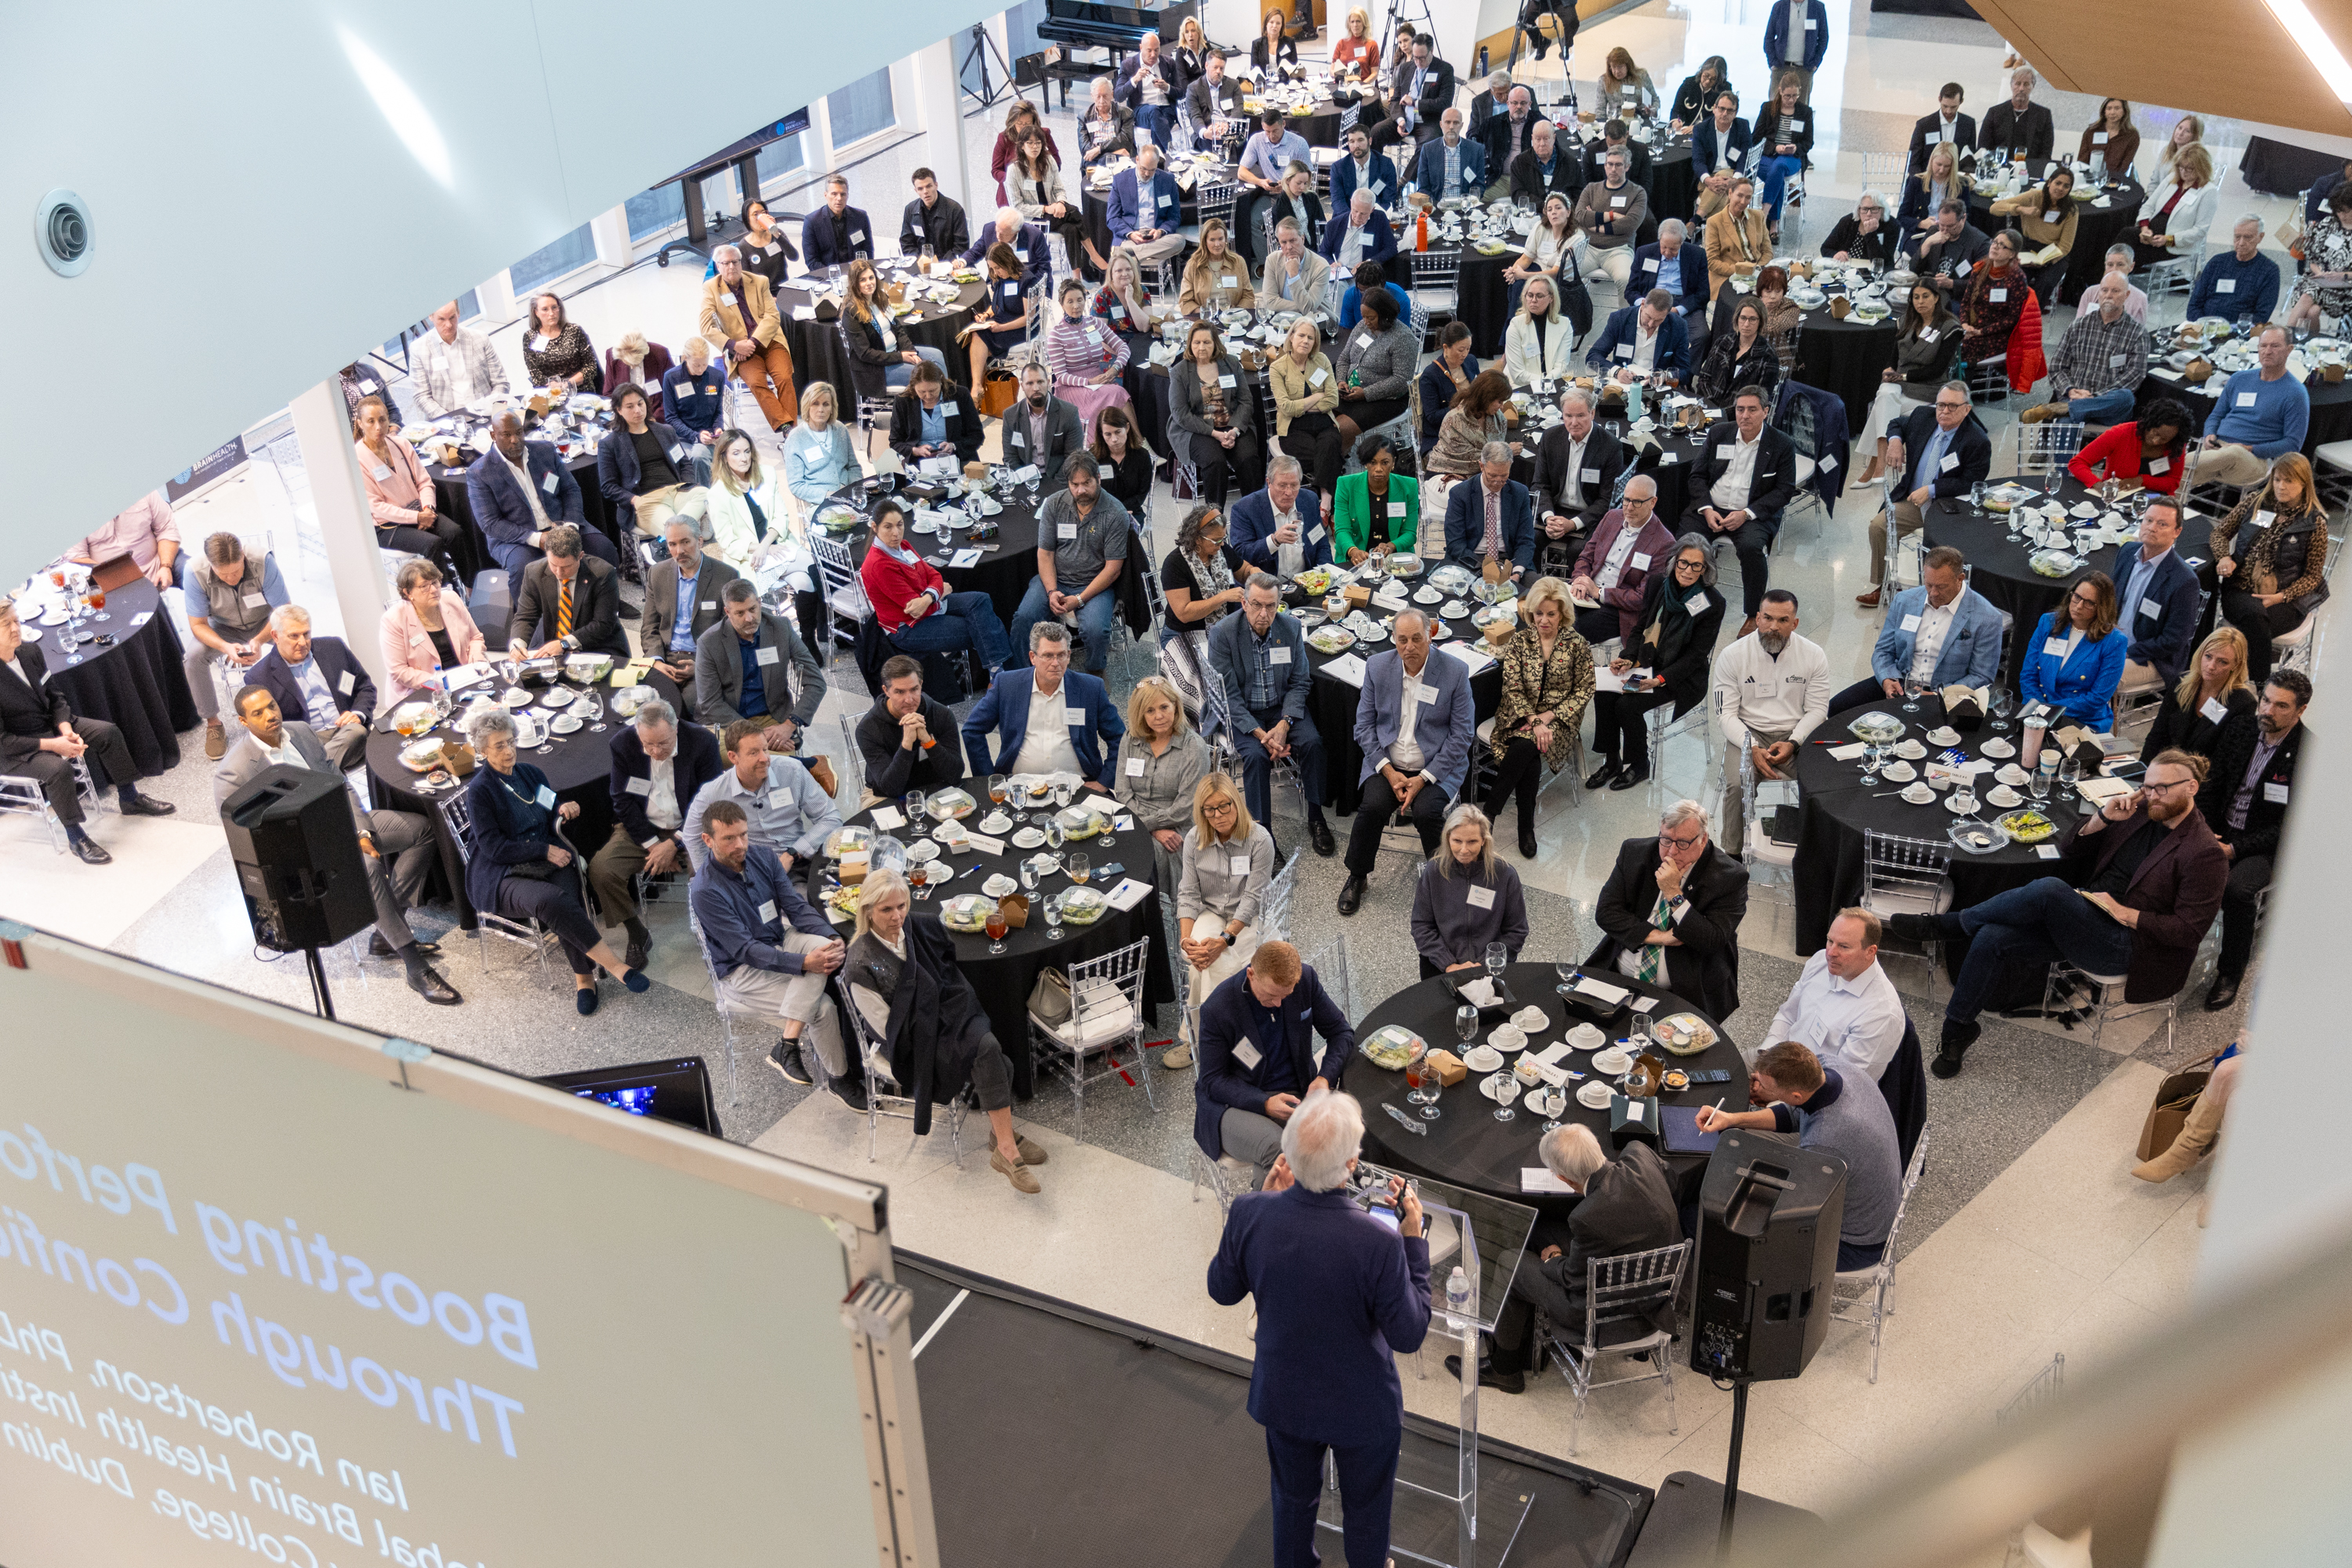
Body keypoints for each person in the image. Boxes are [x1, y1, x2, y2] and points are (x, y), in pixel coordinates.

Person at [1889, 750, 2227, 1076]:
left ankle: (1951, 924)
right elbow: (2069, 848)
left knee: (2050, 889)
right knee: (1992, 936)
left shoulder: (2204, 854)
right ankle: (1956, 1032)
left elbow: (2188, 931)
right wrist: (2103, 817)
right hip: (2085, 917)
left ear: (2191, 787)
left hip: (2126, 945)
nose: (2152, 796)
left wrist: (2125, 913)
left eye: (2162, 788)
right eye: (2147, 786)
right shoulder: (2140, 813)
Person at [1204, 1088, 1425, 1568]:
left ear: (1287, 1153)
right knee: (1367, 1514)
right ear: (1351, 1165)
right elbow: (1409, 1334)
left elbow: (1221, 1289)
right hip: (1362, 1406)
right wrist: (1414, 1245)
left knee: (1291, 1503)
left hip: (1285, 1396)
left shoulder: (1249, 1212)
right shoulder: (1380, 1242)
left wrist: (1262, 1202)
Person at [214, 687, 455, 1003]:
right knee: (368, 867)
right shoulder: (233, 772)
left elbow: (341, 784)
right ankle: (414, 964)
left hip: (342, 824)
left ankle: (388, 931)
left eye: (271, 706)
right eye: (258, 713)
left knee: (422, 830)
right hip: (303, 854)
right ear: (243, 722)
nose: (270, 715)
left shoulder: (301, 732)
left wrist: (361, 832)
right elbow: (246, 840)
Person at [844, 871, 1044, 1188]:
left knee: (989, 1050)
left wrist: (944, 1004)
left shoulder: (919, 925)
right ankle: (1006, 1147)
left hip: (946, 1011)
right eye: (886, 910)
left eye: (902, 906)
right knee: (990, 1053)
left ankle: (1002, 1140)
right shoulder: (860, 964)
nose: (897, 916)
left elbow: (947, 965)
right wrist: (930, 1020)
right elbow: (885, 1027)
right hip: (910, 1039)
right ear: (868, 911)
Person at [1455, 1124, 1679, 1393]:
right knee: (1539, 1227)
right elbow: (1672, 1181)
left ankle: (1505, 1370)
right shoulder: (1638, 1153)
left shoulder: (1588, 1216)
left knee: (1508, 1264)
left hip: (1602, 1310)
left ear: (1563, 1179)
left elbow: (1574, 1279)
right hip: (1657, 1284)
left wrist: (1553, 1259)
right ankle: (1516, 1331)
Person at [462, 708, 651, 1014]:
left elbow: (549, 804)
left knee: (566, 898)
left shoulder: (530, 774)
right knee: (551, 900)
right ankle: (614, 967)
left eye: (511, 742)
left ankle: (584, 978)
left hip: (545, 856)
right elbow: (494, 848)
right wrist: (543, 850)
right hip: (502, 872)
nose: (509, 751)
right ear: (482, 751)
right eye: (499, 746)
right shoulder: (480, 791)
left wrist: (563, 807)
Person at [691, 798, 850, 1095]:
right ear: (707, 840)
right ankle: (840, 1079)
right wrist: (804, 964)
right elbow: (745, 950)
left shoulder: (763, 856)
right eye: (729, 839)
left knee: (826, 949)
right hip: (742, 969)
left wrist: (831, 936)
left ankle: (786, 1044)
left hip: (779, 937)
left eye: (743, 834)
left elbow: (795, 907)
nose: (740, 845)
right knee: (822, 1008)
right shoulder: (705, 890)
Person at [1694, 1042, 1901, 1270]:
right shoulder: (1830, 1065)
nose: (1757, 1087)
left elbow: (1798, 1208)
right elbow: (1795, 1114)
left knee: (1709, 1227)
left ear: (1795, 1095)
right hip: (1870, 1207)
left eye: (1764, 1086)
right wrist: (1731, 1119)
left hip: (1853, 1244)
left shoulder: (1825, 1139)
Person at [0, 600, 172, 865]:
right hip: (16, 747)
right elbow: (3, 742)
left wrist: (65, 729)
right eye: (6, 624)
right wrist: (54, 745)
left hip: (50, 725)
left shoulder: (30, 651)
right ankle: (76, 837)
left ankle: (130, 798)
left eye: (17, 621)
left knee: (107, 732)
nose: (16, 628)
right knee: (58, 770)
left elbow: (55, 696)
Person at [1335, 611, 1475, 916]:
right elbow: (1363, 726)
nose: (1409, 647)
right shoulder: (1377, 667)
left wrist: (1423, 778)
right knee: (1371, 808)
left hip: (1436, 766)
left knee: (1427, 813)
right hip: (1388, 762)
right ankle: (1358, 876)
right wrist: (1387, 770)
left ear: (1430, 636)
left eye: (1416, 639)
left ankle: (1445, 883)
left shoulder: (1454, 672)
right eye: (1402, 640)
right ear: (1394, 640)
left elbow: (1462, 735)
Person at [2195, 671, 2310, 1011]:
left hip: (2268, 844)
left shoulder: (2309, 753)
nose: (2268, 711)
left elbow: (2291, 826)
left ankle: (2230, 972)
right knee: (2170, 850)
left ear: (2300, 711)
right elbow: (2213, 784)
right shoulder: (2242, 728)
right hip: (2223, 827)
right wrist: (2204, 830)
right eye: (2266, 700)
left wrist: (2234, 849)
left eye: (2281, 706)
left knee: (2237, 890)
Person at [587, 698, 724, 970]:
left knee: (706, 874)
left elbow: (710, 802)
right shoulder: (623, 744)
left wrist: (674, 844)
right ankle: (636, 931)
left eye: (662, 743)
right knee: (602, 870)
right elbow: (622, 800)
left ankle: (714, 932)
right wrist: (653, 845)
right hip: (642, 827)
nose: (655, 751)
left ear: (676, 728)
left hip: (692, 827)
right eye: (648, 744)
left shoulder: (701, 742)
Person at [1586, 535, 1727, 789]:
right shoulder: (1658, 584)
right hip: (1648, 662)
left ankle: (1639, 764)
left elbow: (1696, 655)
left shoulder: (1712, 602)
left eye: (1697, 565)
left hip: (1680, 676)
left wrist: (1659, 679)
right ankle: (1612, 761)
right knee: (1605, 693)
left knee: (1627, 705)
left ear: (1705, 569)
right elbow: (1641, 627)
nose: (1688, 571)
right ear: (1674, 561)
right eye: (1684, 563)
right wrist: (1628, 657)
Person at [1208, 575, 1334, 856]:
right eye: (1257, 605)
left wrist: (1284, 724)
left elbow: (1300, 682)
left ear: (1279, 605)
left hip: (1280, 708)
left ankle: (1316, 816)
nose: (1264, 614)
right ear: (1244, 603)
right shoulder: (1223, 633)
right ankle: (1263, 835)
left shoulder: (1290, 628)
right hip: (1243, 712)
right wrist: (1260, 734)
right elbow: (1228, 696)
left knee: (1313, 743)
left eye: (1271, 606)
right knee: (1256, 757)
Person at [1589, 800, 1748, 1019]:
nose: (1671, 852)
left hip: (1686, 989)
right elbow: (1606, 912)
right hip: (1619, 975)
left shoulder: (1730, 877)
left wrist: (1674, 894)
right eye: (1665, 840)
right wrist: (1661, 937)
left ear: (1703, 840)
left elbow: (1711, 940)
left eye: (1682, 843)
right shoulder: (1634, 852)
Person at [1171, 770, 1280, 1066]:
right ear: (1202, 811)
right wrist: (1186, 940)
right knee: (1198, 956)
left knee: (1210, 965)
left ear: (1236, 802)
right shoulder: (1194, 839)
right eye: (1210, 809)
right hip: (1211, 911)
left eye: (1224, 806)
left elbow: (1252, 899)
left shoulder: (1260, 840)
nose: (1218, 815)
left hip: (1249, 920)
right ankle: (1227, 1041)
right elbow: (1188, 894)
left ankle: (1200, 1040)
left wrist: (1223, 940)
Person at [1711, 589, 1830, 855]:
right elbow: (1725, 714)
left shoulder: (1813, 655)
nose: (1774, 627)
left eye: (1783, 620)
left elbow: (1818, 710)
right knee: (1737, 785)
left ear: (1795, 623)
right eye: (1768, 618)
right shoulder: (1732, 655)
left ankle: (1820, 852)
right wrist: (1751, 746)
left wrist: (1794, 742)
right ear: (1757, 618)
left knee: (1825, 781)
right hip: (1746, 732)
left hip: (1796, 733)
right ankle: (1732, 856)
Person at [1480, 579, 1593, 858]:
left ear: (1562, 613)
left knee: (1526, 747)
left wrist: (1548, 717)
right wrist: (1533, 719)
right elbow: (1512, 687)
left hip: (1560, 719)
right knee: (1529, 753)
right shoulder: (1520, 641)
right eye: (1538, 613)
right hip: (1519, 713)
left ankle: (1489, 813)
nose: (1544, 620)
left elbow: (1585, 688)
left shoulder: (1578, 645)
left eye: (1551, 614)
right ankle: (1525, 828)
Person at [1856, 383, 1989, 608]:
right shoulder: (1922, 417)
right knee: (1879, 526)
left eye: (1953, 406)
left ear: (1967, 409)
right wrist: (1895, 441)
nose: (1944, 411)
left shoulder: (1977, 440)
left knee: (1944, 548)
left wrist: (1932, 490)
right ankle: (1886, 585)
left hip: (1947, 507)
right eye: (1941, 405)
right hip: (1913, 502)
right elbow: (1896, 423)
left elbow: (1970, 483)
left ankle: (1945, 591)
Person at [1836, 545, 2005, 712]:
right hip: (1900, 682)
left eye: (1941, 587)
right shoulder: (1904, 601)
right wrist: (1888, 679)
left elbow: (1982, 676)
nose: (1933, 593)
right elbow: (1883, 650)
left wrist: (1940, 695)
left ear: (1960, 579)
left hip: (1946, 696)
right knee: (1837, 707)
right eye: (1929, 584)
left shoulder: (1987, 618)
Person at [858, 498, 1011, 676]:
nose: (896, 533)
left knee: (981, 601)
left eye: (900, 525)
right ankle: (1001, 676)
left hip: (931, 604)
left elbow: (934, 575)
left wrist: (929, 598)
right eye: (888, 527)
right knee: (984, 626)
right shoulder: (879, 565)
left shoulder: (904, 546)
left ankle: (999, 675)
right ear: (875, 527)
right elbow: (917, 611)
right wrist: (938, 594)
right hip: (907, 628)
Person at [2207, 456, 2328, 681]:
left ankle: (2236, 681)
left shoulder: (2314, 524)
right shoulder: (2254, 503)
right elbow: (2219, 534)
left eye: (2289, 481)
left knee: (2253, 629)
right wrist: (2223, 557)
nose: (2281, 486)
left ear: (2304, 484)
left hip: (2286, 598)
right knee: (2256, 622)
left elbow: (2313, 577)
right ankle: (2260, 687)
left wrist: (2282, 597)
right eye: (2277, 479)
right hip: (2242, 588)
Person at [1685, 387, 1797, 629]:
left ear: (1766, 411)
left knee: (1751, 549)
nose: (1745, 416)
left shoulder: (1782, 444)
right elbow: (1697, 476)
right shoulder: (1718, 433)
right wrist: (1706, 509)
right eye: (1740, 409)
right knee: (1685, 546)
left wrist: (1746, 514)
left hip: (1752, 513)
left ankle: (1753, 615)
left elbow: (1784, 490)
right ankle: (1687, 606)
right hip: (1711, 508)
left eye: (1752, 410)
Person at [681, 714, 840, 884]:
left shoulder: (792, 771)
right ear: (733, 757)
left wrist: (793, 853)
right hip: (750, 873)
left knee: (810, 896)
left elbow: (830, 818)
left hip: (797, 862)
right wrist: (711, 879)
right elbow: (691, 836)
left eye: (765, 750)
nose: (764, 759)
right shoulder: (715, 792)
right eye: (753, 753)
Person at [1010, 453, 1130, 674]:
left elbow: (1113, 570)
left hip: (1094, 585)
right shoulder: (1054, 504)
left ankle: (1094, 673)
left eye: (1086, 483)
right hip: (1056, 579)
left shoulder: (1115, 513)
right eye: (1075, 485)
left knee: (1096, 631)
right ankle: (1021, 675)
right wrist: (1052, 590)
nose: (1081, 490)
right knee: (1024, 618)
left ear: (1098, 478)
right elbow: (1045, 553)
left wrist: (1080, 599)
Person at [963, 622, 1123, 784]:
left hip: (1078, 783)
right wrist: (988, 780)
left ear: (1069, 655)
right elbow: (972, 730)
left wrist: (1104, 781)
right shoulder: (1007, 685)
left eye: (1061, 655)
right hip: (1019, 785)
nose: (1055, 663)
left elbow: (1120, 737)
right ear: (1033, 657)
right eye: (1048, 656)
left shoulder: (1091, 688)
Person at [180, 532, 289, 759]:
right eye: (224, 574)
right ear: (211, 565)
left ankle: (299, 701)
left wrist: (259, 640)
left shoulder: (263, 561)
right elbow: (198, 625)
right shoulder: (194, 572)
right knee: (193, 658)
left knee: (294, 637)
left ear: (243, 557)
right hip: (223, 627)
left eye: (237, 571)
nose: (231, 578)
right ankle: (213, 723)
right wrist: (225, 647)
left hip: (265, 621)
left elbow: (283, 612)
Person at [1764, 909, 1906, 1081]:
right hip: (1779, 1058)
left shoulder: (1880, 1013)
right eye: (1830, 941)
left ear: (1870, 951)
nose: (1831, 952)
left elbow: (1844, 1082)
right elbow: (1787, 1015)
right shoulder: (1820, 961)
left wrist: (1778, 1086)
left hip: (1810, 1086)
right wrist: (1767, 1054)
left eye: (1844, 947)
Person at [694, 579, 825, 751]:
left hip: (772, 716)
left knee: (778, 762)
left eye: (752, 609)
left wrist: (790, 724)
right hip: (728, 720)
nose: (749, 619)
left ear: (760, 603)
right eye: (740, 613)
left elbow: (816, 682)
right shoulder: (709, 642)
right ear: (727, 612)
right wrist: (756, 735)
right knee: (732, 758)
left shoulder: (781, 628)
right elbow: (710, 703)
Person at [1854, 283, 1962, 488]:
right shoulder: (1905, 321)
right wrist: (1889, 370)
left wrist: (1902, 376)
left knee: (1882, 403)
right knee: (1886, 393)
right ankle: (1880, 462)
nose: (1920, 302)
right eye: (1916, 297)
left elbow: (1937, 370)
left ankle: (1874, 467)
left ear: (1936, 298)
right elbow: (1894, 359)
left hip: (1929, 389)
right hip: (1901, 388)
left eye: (1925, 296)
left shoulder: (1949, 326)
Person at [1114, 675, 1214, 895]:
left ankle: (1156, 909)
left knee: (1151, 855)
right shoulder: (1130, 739)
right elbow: (1122, 793)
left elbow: (1185, 807)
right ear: (1140, 713)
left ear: (1176, 707)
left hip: (1178, 823)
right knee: (1110, 848)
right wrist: (1152, 828)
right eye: (1150, 711)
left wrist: (1146, 826)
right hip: (1135, 816)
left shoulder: (1193, 747)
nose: (1159, 716)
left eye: (1164, 707)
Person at [241, 605, 373, 771]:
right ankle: (323, 770)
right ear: (275, 636)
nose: (303, 642)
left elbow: (365, 687)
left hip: (348, 730)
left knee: (357, 733)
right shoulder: (259, 676)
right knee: (357, 741)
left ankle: (313, 773)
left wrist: (358, 714)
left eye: (306, 634)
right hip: (306, 742)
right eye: (294, 636)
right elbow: (265, 726)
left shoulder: (334, 648)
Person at [2184, 325, 2310, 489]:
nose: (2268, 351)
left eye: (2275, 346)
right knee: (2177, 479)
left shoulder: (2296, 393)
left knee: (2231, 453)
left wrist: (2250, 448)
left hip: (2255, 459)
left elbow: (2293, 444)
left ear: (2289, 350)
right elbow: (2216, 415)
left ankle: (2175, 462)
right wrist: (2209, 434)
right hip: (2216, 450)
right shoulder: (2239, 379)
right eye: (2263, 346)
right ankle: (2165, 501)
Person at [1410, 804, 1528, 977]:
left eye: (1472, 842)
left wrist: (1483, 964)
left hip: (1491, 966)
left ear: (1484, 840)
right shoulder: (1433, 872)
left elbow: (1517, 931)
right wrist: (1448, 964)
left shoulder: (1505, 874)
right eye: (1457, 841)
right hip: (1440, 966)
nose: (1464, 850)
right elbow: (1421, 926)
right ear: (1448, 838)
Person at [352, 397, 463, 576]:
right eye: (371, 421)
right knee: (432, 544)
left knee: (454, 532)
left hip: (420, 510)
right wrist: (416, 518)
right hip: (388, 525)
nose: (378, 427)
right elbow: (377, 507)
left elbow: (424, 482)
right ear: (360, 423)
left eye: (382, 420)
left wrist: (428, 509)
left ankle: (469, 585)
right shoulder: (357, 459)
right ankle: (442, 590)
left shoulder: (401, 444)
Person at [696, 243, 798, 435]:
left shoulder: (759, 282)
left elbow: (772, 316)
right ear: (718, 266)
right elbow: (706, 328)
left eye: (735, 262)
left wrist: (752, 343)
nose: (731, 267)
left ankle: (790, 432)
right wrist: (734, 346)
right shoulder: (711, 288)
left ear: (741, 262)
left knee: (784, 377)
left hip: (769, 341)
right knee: (756, 382)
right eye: (726, 263)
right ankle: (788, 428)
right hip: (739, 350)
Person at [1570, 474, 1677, 646]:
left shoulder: (1664, 543)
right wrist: (1580, 580)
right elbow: (1586, 556)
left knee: (1572, 631)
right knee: (1548, 611)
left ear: (1653, 502)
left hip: (1618, 609)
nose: (1629, 508)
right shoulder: (1612, 517)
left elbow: (1642, 598)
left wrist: (1598, 592)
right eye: (1626, 500)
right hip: (1586, 592)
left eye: (1637, 502)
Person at [2112, 494, 2201, 693]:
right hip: (2113, 640)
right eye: (2149, 520)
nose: (2152, 528)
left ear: (2177, 532)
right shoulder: (2127, 551)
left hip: (2152, 657)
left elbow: (2174, 640)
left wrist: (2128, 652)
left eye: (2162, 524)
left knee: (2102, 672)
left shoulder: (2185, 580)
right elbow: (2110, 600)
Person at [597, 382, 710, 539]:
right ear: (619, 410)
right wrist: (634, 500)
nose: (637, 410)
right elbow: (608, 486)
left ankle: (680, 532)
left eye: (640, 403)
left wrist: (686, 486)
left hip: (676, 491)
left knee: (705, 493)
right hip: (647, 501)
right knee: (675, 531)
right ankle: (692, 526)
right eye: (630, 407)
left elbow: (684, 464)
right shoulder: (610, 443)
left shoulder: (665, 431)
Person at [2020, 572, 2130, 728]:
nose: (2079, 606)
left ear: (2102, 607)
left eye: (2089, 603)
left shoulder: (2114, 641)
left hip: (2079, 718)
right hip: (2036, 709)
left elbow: (2097, 698)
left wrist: (2051, 711)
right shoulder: (2048, 622)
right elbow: (2028, 675)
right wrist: (2038, 707)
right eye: (2077, 597)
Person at [1171, 321, 1261, 509]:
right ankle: (1214, 517)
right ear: (1189, 344)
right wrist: (1215, 434)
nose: (1201, 348)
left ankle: (1253, 512)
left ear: (1215, 343)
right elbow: (1181, 414)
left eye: (1207, 342)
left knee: (1248, 459)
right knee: (1215, 462)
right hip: (1198, 429)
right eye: (1196, 343)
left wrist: (1235, 430)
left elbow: (1246, 401)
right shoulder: (1180, 371)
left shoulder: (1231, 363)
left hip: (1232, 424)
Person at [507, 525, 630, 662]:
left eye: (566, 567)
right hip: (551, 644)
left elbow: (603, 624)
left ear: (580, 556)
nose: (559, 573)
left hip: (597, 645)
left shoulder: (603, 573)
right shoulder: (533, 572)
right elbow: (525, 616)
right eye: (554, 565)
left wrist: (564, 644)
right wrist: (517, 644)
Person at [837, 260, 950, 405]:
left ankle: (944, 404)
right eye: (863, 280)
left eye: (871, 278)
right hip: (875, 370)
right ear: (855, 284)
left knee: (937, 356)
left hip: (896, 353)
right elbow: (865, 354)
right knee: (926, 376)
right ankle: (940, 408)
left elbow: (898, 330)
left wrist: (911, 352)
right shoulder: (851, 312)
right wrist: (901, 357)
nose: (869, 283)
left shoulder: (880, 299)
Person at [857, 655, 968, 802]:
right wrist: (907, 744)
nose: (909, 700)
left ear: (921, 685)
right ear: (886, 691)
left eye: (914, 689)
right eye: (900, 692)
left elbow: (955, 775)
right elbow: (890, 788)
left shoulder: (942, 715)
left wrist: (928, 741)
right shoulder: (868, 729)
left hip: (934, 786)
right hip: (883, 794)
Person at [379, 558, 487, 708]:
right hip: (421, 692)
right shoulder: (393, 620)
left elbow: (475, 637)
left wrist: (477, 660)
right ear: (408, 593)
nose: (434, 590)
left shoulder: (452, 599)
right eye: (424, 586)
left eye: (435, 582)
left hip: (465, 679)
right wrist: (440, 683)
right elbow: (399, 671)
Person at [1531, 388, 1626, 556]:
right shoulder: (1550, 438)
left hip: (1589, 514)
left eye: (1580, 416)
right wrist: (1548, 518)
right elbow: (1540, 484)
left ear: (1592, 413)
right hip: (1554, 509)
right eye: (1568, 416)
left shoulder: (1610, 446)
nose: (1574, 422)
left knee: (1578, 550)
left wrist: (1573, 524)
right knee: (1530, 539)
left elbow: (1606, 500)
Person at [2142, 628, 2255, 763]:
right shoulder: (2182, 684)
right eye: (2208, 656)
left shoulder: (2242, 703)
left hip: (2204, 773)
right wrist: (2142, 770)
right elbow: (2156, 736)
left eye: (2222, 662)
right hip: (2168, 765)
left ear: (2236, 665)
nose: (2211, 666)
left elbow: (2227, 761)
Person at [1042, 277, 1134, 441]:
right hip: (1071, 388)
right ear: (1062, 304)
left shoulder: (1095, 323)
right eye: (1070, 301)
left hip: (1099, 380)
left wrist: (1115, 369)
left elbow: (1123, 348)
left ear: (1085, 300)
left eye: (1080, 300)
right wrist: (1089, 382)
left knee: (1118, 394)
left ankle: (1131, 442)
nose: (1076, 306)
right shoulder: (1056, 334)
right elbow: (1061, 376)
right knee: (1119, 393)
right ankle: (1138, 441)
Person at [1007, 125, 1100, 277]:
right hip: (1032, 220)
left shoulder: (1049, 161)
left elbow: (1059, 189)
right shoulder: (1014, 171)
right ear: (1022, 146)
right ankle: (1094, 255)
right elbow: (1017, 207)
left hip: (1056, 214)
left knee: (1071, 229)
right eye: (1030, 143)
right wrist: (1046, 209)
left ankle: (1076, 278)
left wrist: (1061, 203)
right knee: (1075, 212)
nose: (1035, 147)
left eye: (1038, 143)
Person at [1334, 285, 1417, 448]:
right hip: (1351, 392)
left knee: (1339, 430)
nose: (1366, 322)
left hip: (1385, 400)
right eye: (1364, 317)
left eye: (1371, 318)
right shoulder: (1362, 327)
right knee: (1322, 419)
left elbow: (1401, 380)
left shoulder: (1403, 338)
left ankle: (1339, 460)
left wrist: (1366, 393)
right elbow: (1344, 357)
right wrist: (1341, 381)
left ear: (1385, 315)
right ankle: (1339, 458)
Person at [1443, 443, 1536, 583]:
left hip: (1510, 560)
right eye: (1492, 476)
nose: (1498, 482)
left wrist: (1517, 572)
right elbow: (1455, 544)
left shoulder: (1519, 493)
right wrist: (1489, 570)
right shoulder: (1460, 493)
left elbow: (1526, 540)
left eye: (1504, 476)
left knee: (1536, 590)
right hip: (1470, 559)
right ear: (1481, 466)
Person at [1989, 164, 2081, 307]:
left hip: (2054, 253)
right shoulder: (2034, 196)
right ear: (2049, 182)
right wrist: (2020, 209)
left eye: (2066, 186)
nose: (2061, 188)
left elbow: (2065, 246)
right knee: (2014, 277)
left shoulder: (2071, 210)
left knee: (2045, 282)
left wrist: (2045, 261)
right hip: (2029, 247)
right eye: (2058, 183)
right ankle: (2010, 311)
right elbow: (1994, 208)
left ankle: (2031, 314)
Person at [1229, 456, 1333, 579]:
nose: (1289, 492)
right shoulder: (1245, 508)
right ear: (1269, 483)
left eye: (1294, 485)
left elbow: (1320, 542)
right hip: (1265, 584)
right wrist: (1274, 540)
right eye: (1282, 486)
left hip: (1305, 582)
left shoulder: (1309, 500)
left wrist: (1325, 575)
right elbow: (1241, 555)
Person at [1162, 502, 1247, 645]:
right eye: (1216, 540)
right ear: (1197, 538)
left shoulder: (1221, 550)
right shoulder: (1175, 563)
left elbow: (1244, 570)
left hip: (1223, 628)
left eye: (1223, 538)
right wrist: (1223, 597)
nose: (1221, 544)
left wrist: (1257, 576)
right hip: (1183, 634)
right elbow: (1184, 613)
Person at [408, 300, 509, 419]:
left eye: (452, 318)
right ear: (431, 316)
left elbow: (500, 382)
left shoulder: (480, 338)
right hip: (447, 419)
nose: (449, 325)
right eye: (441, 319)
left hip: (485, 415)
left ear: (458, 313)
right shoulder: (419, 349)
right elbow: (421, 396)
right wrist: (450, 420)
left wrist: (492, 409)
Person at [2068, 401, 2192, 497]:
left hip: (2156, 499)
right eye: (2156, 433)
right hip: (2119, 497)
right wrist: (2097, 484)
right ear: (2150, 422)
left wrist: (2141, 480)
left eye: (2164, 439)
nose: (2156, 441)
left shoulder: (2176, 444)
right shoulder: (2120, 434)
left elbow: (2173, 482)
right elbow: (2077, 463)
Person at [1236, 112, 1313, 264]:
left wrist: (1287, 186)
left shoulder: (1298, 143)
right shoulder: (1257, 140)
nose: (1271, 136)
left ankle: (1299, 260)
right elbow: (1241, 172)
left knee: (1290, 225)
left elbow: (1307, 178)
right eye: (1267, 131)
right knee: (1252, 221)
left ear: (1283, 124)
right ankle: (1270, 264)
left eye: (1275, 131)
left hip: (1295, 195)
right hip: (1270, 194)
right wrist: (1260, 182)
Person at [1333, 434, 1419, 567]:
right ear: (1365, 463)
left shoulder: (1409, 486)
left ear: (1393, 462)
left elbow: (1410, 533)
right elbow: (1342, 530)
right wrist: (1353, 551)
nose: (1378, 469)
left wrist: (1391, 546)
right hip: (1357, 561)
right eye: (1373, 463)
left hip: (1395, 560)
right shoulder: (1346, 485)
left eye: (1385, 462)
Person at [69, 490, 180, 590]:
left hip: (158, 565)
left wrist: (166, 566)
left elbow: (167, 528)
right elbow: (77, 557)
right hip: (112, 583)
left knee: (190, 570)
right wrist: (117, 578)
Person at [960, 242, 1034, 393]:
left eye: (998, 267)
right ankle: (980, 388)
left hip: (1021, 328)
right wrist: (987, 314)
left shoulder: (1027, 280)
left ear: (1007, 261)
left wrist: (1001, 328)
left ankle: (977, 388)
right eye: (992, 268)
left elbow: (1028, 318)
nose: (995, 272)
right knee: (976, 338)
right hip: (1003, 320)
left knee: (978, 342)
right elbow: (997, 304)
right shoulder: (1001, 277)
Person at [1002, 359, 1087, 488]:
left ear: (1048, 382)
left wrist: (1054, 486)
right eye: (1030, 383)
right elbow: (1010, 457)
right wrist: (1025, 482)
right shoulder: (1010, 415)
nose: (1036, 388)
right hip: (1025, 480)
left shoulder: (1069, 413)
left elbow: (1073, 458)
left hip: (1057, 480)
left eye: (1040, 382)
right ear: (1022, 386)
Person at [1573, 147, 1648, 290]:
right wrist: (1612, 216)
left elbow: (1630, 224)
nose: (1613, 169)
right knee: (1565, 273)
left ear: (1627, 167)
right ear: (1605, 165)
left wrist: (1595, 224)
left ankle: (1626, 308)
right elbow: (1580, 216)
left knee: (1625, 280)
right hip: (1588, 248)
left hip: (1619, 249)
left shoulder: (1638, 193)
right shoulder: (1591, 189)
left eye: (1618, 165)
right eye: (1610, 164)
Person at [887, 361, 984, 470]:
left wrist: (954, 446)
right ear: (914, 387)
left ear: (941, 382)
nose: (928, 396)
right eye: (922, 392)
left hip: (958, 458)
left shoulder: (960, 395)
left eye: (933, 390)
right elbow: (895, 442)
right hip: (919, 463)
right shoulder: (903, 402)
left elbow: (976, 435)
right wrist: (915, 451)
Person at [2285, 182, 2352, 336]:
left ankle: (2285, 337)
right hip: (2319, 279)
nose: (2341, 215)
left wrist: (2340, 276)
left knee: (2307, 297)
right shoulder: (2328, 224)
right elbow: (2312, 259)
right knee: (2312, 312)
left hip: (2346, 286)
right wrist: (2321, 274)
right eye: (2338, 211)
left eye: (2346, 211)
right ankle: (2308, 341)